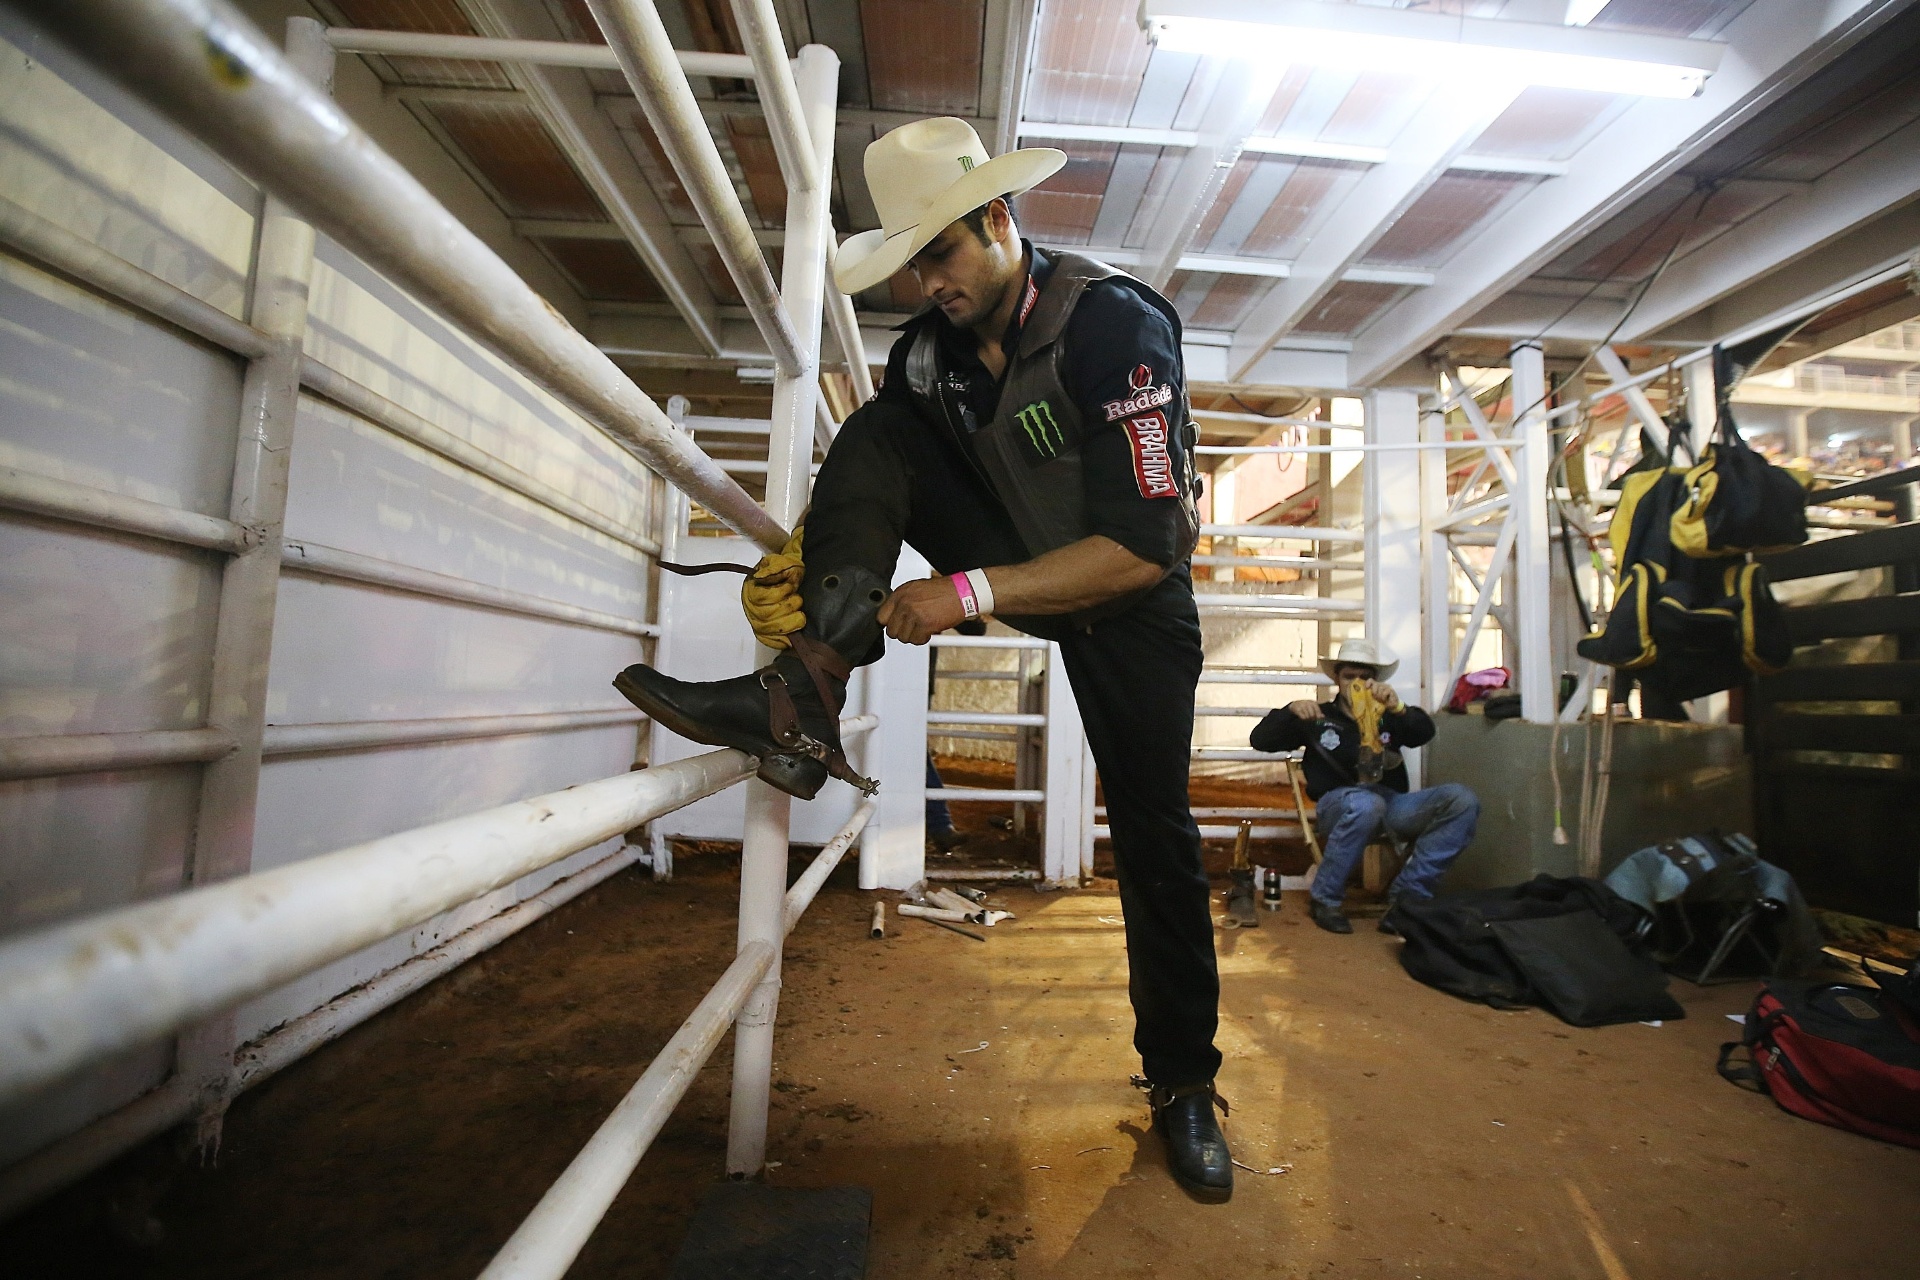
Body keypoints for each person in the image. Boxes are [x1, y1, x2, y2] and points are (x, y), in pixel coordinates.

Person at [611, 119, 1232, 1201]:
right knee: (877, 431)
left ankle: (1183, 1081)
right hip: (1020, 554)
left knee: (1154, 835)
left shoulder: (1114, 327)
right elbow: (884, 479)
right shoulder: (926, 359)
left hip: (1128, 597)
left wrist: (965, 591)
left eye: (942, 253)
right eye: (911, 266)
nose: (929, 284)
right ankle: (804, 687)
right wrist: (827, 573)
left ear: (999, 220)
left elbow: (1144, 544)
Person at [1249, 639, 1480, 935]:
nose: (1355, 683)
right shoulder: (1320, 717)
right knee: (1366, 804)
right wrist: (1290, 711)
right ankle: (1326, 898)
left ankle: (1408, 895)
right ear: (1337, 679)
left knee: (1462, 800)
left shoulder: (1386, 715)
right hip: (1339, 804)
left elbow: (1424, 732)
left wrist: (1397, 707)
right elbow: (1261, 740)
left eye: (1364, 677)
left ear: (1374, 681)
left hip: (1391, 804)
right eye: (1348, 677)